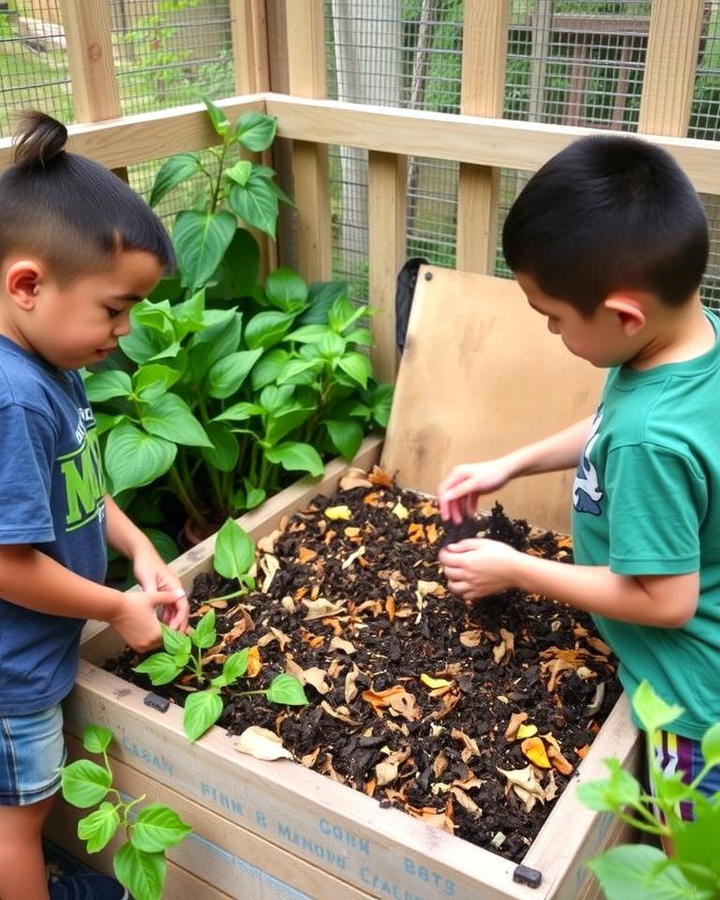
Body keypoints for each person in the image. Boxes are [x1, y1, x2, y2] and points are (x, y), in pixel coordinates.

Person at [437, 134, 720, 825]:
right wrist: (512, 462)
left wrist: (517, 568)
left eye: (555, 320)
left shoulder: (652, 438)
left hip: (689, 707)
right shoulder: (689, 344)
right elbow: (606, 429)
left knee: (689, 866)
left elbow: (665, 599)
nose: (552, 334)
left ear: (624, 315)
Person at [0, 111, 189, 900]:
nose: (126, 329)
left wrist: (141, 548)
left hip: (38, 653)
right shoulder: (13, 401)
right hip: (12, 671)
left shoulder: (53, 364)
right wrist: (116, 606)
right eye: (115, 308)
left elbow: (81, 484)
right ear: (28, 285)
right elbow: (7, 566)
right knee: (21, 813)